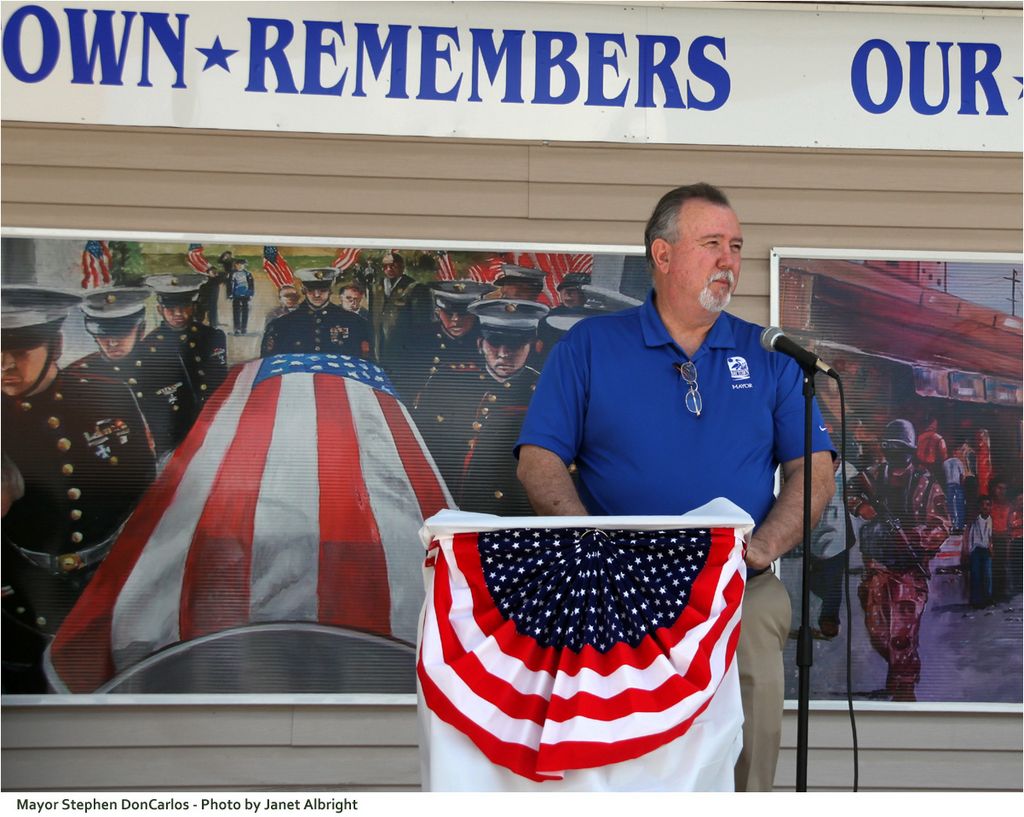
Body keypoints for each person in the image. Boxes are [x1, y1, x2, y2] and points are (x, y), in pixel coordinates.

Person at [514, 183, 835, 791]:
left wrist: (761, 551)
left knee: (749, 749)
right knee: (628, 759)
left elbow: (814, 469)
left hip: (738, 592)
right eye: (712, 243)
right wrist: (593, 549)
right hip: (621, 597)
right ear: (662, 256)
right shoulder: (590, 346)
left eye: (736, 246)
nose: (729, 260)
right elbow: (539, 462)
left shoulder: (768, 355)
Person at [2, 286, 157, 692]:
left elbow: (144, 484)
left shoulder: (104, 394)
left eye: (19, 348)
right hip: (23, 592)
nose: (4, 363)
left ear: (54, 345)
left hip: (112, 580)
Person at [848, 418, 949, 702]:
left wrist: (913, 537)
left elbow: (942, 523)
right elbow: (850, 491)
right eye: (890, 447)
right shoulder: (873, 476)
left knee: (901, 634)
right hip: (877, 569)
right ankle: (898, 671)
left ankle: (905, 688)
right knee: (878, 632)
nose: (895, 453)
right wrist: (862, 506)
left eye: (900, 448)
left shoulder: (925, 484)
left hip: (908, 570)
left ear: (910, 450)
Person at [69, 287, 197, 457]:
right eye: (103, 335)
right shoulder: (78, 376)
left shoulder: (164, 359)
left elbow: (191, 413)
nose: (112, 343)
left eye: (121, 334)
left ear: (141, 329)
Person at [398, 279, 495, 403]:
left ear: (475, 314)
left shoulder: (490, 342)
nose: (456, 319)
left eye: (463, 313)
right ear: (438, 312)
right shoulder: (420, 339)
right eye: (449, 313)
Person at [144, 274, 229, 411]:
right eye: (171, 308)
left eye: (184, 307)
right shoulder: (148, 346)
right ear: (160, 310)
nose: (178, 313)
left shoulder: (212, 336)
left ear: (194, 307)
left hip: (213, 412)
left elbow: (220, 380)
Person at [260, 267, 372, 358]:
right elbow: (269, 362)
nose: (317, 295)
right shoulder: (281, 325)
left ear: (330, 290)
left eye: (323, 290)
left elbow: (366, 360)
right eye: (311, 289)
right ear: (303, 290)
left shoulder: (354, 322)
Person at [368, 251, 428, 366]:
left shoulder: (414, 287)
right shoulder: (376, 287)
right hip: (378, 348)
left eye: (393, 266)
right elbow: (371, 318)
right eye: (385, 266)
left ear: (402, 267)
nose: (389, 269)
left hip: (402, 349)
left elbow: (420, 323)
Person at [967, 496, 993, 608]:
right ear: (979, 506)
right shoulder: (976, 519)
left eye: (987, 505)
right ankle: (976, 600)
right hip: (976, 550)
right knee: (976, 575)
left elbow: (990, 535)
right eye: (983, 505)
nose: (985, 507)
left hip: (986, 550)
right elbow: (970, 534)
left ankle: (987, 598)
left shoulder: (990, 519)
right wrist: (969, 550)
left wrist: (991, 548)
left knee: (987, 575)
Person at [227, 257, 255, 335]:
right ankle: (237, 328)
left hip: (245, 295)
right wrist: (229, 294)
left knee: (245, 311)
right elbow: (229, 285)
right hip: (236, 295)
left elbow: (251, 285)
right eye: (238, 265)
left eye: (242, 265)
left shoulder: (248, 274)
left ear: (244, 266)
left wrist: (251, 294)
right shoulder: (232, 274)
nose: (240, 266)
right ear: (235, 265)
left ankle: (244, 328)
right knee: (236, 311)